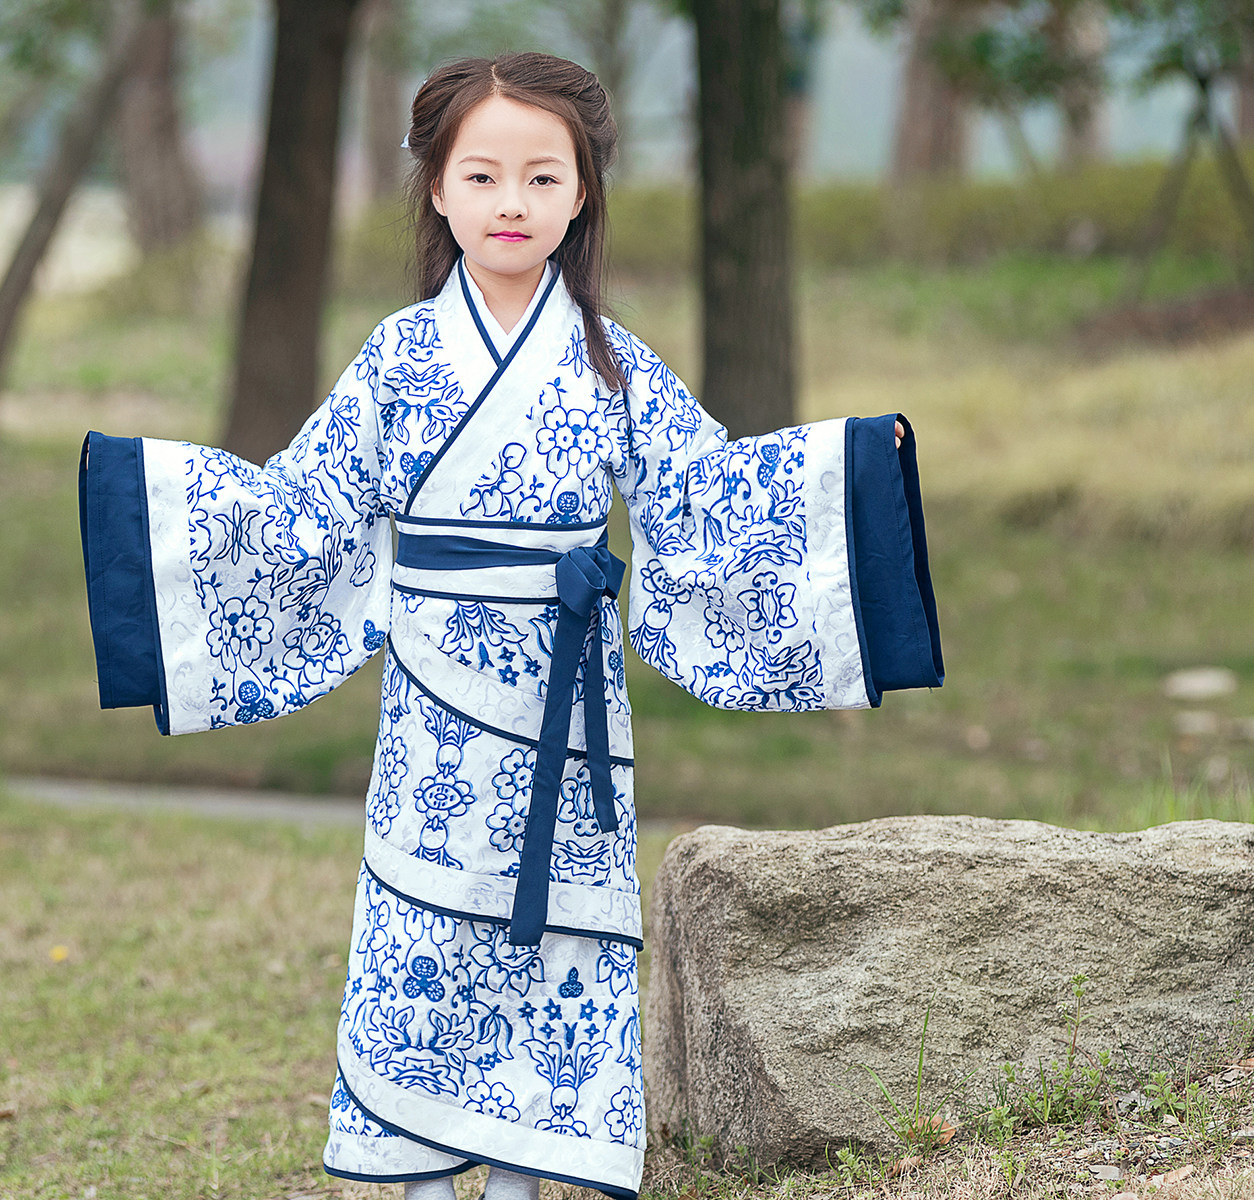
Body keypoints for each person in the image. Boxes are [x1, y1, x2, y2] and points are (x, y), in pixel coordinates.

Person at [79, 51, 942, 1200]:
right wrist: (141, 506)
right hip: (432, 704)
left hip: (566, 697)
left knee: (558, 943)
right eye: (482, 176)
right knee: (425, 925)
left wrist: (850, 478)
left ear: (582, 193)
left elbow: (704, 502)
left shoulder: (608, 361)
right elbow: (298, 517)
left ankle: (536, 1174)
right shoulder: (396, 360)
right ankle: (426, 1171)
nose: (511, 203)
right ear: (435, 187)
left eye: (543, 178)